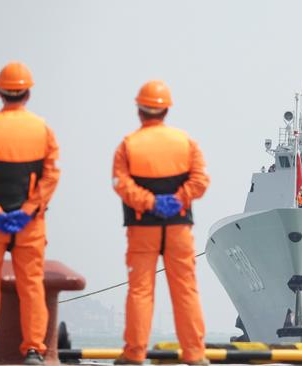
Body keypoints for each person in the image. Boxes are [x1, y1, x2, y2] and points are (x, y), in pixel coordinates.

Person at [112, 80, 209, 365]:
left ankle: (134, 354)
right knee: (185, 289)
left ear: (140, 110)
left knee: (141, 290)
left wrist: (150, 203)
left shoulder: (128, 145)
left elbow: (121, 184)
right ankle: (194, 354)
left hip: (142, 228)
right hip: (178, 227)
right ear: (166, 109)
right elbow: (200, 181)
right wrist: (177, 199)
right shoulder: (186, 143)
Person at [0, 62, 60, 366]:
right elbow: (50, 175)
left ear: (0, 91)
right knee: (31, 284)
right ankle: (34, 350)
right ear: (28, 93)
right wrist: (28, 210)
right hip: (29, 223)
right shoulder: (42, 129)